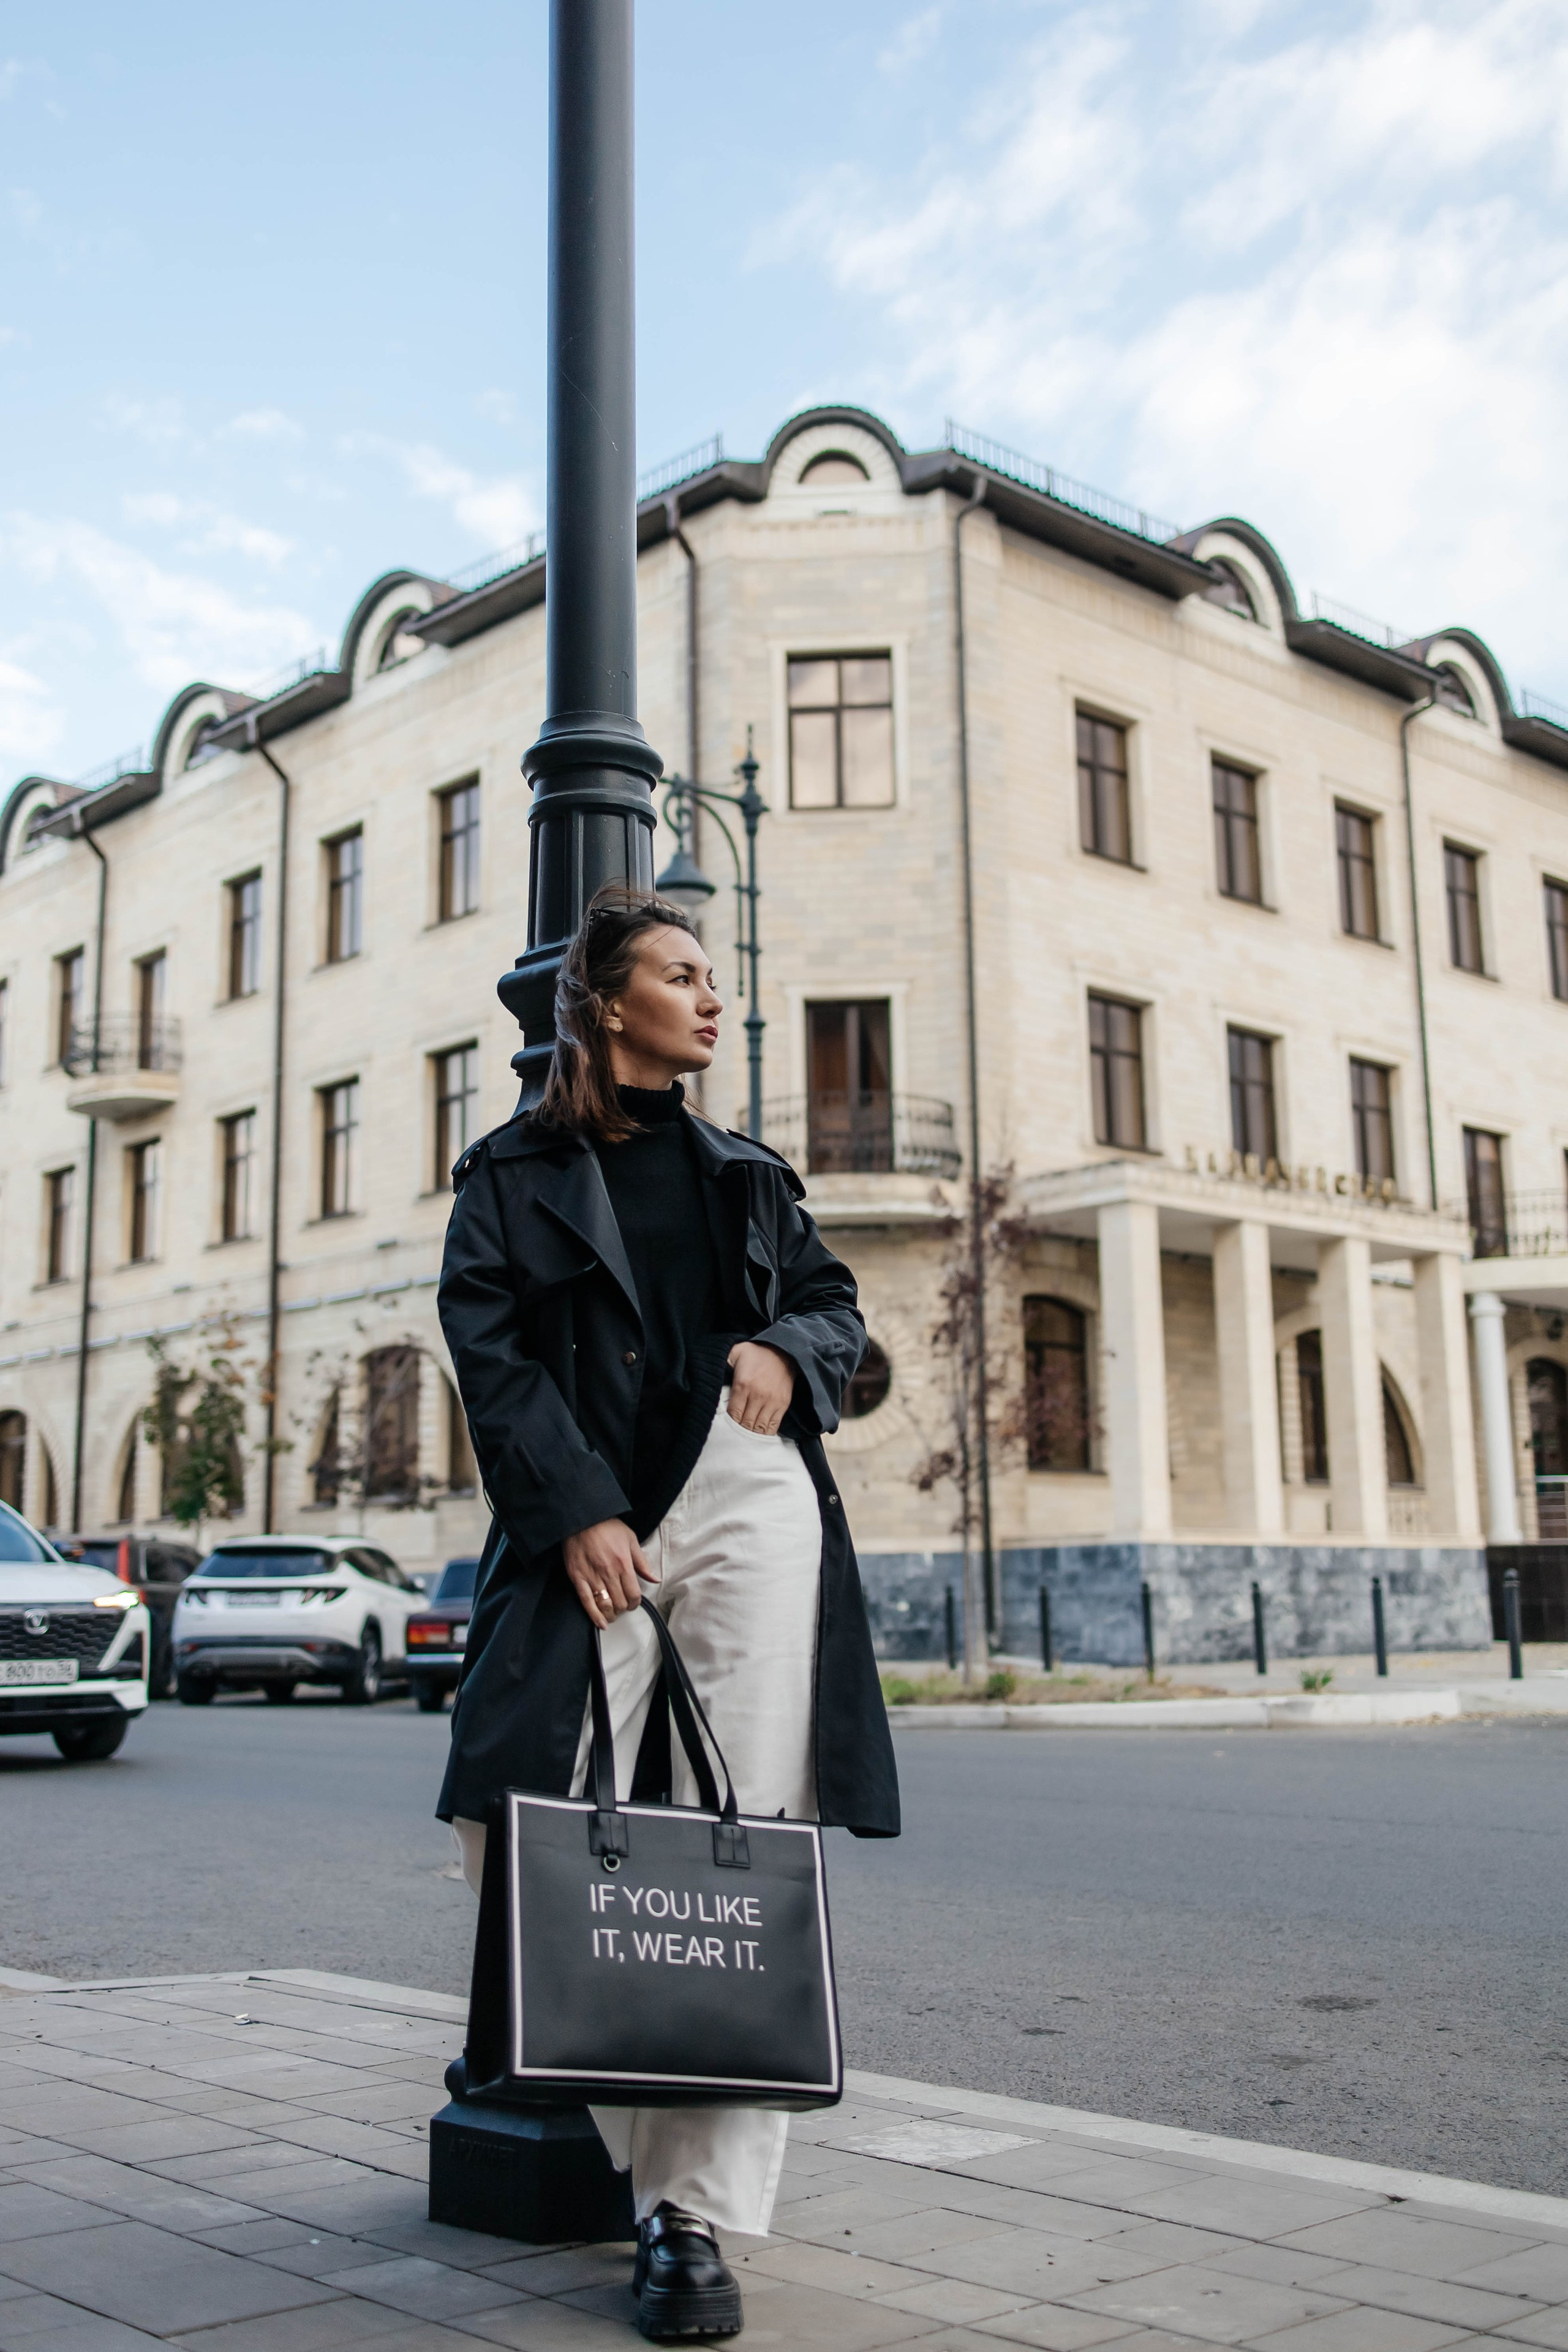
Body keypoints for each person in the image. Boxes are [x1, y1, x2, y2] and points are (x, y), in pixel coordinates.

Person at [436, 884, 899, 2342]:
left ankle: (684, 2218)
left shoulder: (746, 1172)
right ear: (604, 1000)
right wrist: (574, 1509)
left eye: (711, 977)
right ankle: (622, 2100)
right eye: (683, 974)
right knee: (518, 1811)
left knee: (738, 1842)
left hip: (746, 1493)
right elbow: (490, 1352)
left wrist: (785, 1349)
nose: (712, 998)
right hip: (595, 1510)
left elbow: (836, 1309)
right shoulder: (508, 1172)